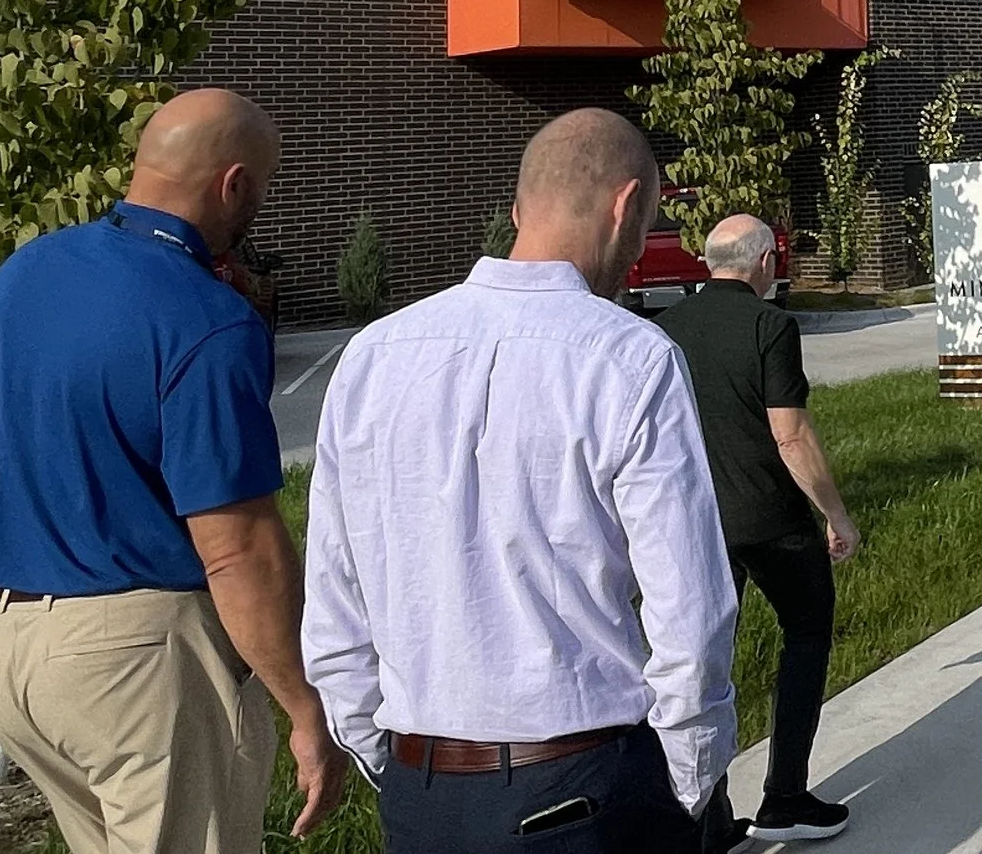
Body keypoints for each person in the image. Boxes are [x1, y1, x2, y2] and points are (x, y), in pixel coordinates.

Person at [303, 110, 738, 852]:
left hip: (423, 787)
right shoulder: (631, 358)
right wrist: (686, 779)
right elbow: (690, 611)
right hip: (584, 783)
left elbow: (334, 603)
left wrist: (383, 753)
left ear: (516, 209)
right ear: (626, 207)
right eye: (645, 227)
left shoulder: (372, 357)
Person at [0, 88, 345, 851]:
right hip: (141, 666)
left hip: (17, 649)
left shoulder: (21, 276)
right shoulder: (205, 316)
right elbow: (235, 547)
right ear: (235, 183)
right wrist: (304, 705)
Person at [659, 215, 860, 843]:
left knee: (704, 661)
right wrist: (836, 514)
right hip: (771, 521)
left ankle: (707, 816)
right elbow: (790, 434)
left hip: (695, 523)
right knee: (805, 631)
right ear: (766, 262)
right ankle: (785, 797)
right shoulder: (770, 325)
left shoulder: (665, 329)